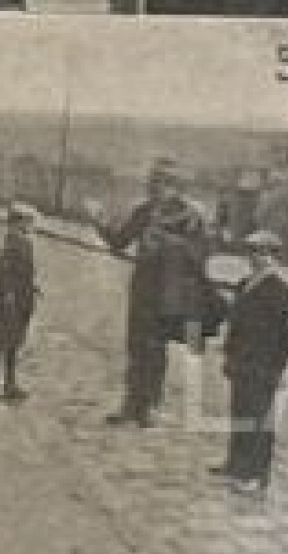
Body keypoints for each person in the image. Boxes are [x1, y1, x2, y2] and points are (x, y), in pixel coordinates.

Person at [85, 158, 214, 428]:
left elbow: (201, 253)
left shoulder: (191, 215)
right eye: (153, 182)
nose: (155, 188)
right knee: (136, 346)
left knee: (156, 349)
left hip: (170, 289)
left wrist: (167, 243)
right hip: (143, 287)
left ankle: (151, 406)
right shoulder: (144, 211)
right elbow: (120, 241)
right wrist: (99, 221)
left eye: (162, 183)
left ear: (176, 187)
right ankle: (131, 405)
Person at [211, 230, 288, 494]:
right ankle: (235, 464)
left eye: (262, 252)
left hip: (263, 363)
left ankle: (255, 475)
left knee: (258, 418)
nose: (256, 258)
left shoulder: (280, 288)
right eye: (252, 252)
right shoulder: (246, 283)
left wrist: (278, 367)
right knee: (240, 412)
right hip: (242, 360)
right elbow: (236, 323)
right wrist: (228, 352)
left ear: (273, 256)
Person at [0, 202, 41, 402]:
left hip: (23, 297)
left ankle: (5, 383)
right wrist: (8, 293)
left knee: (12, 342)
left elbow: (25, 270)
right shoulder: (13, 242)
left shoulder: (22, 241)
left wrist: (34, 286)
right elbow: (5, 270)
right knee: (4, 341)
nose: (32, 226)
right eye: (29, 222)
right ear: (19, 222)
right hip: (13, 299)